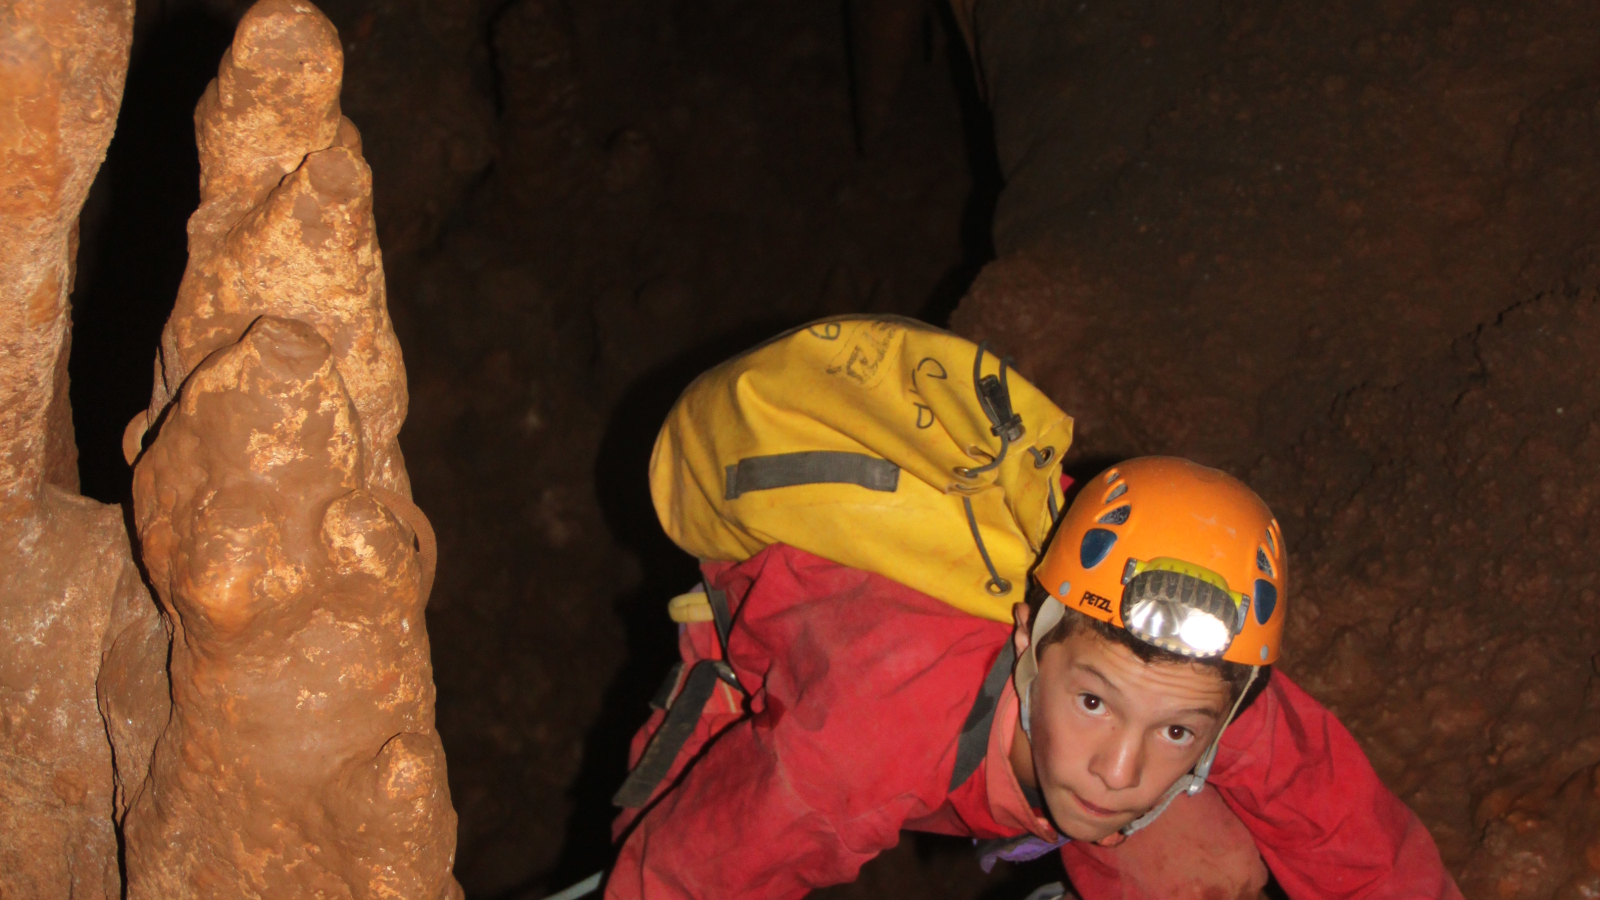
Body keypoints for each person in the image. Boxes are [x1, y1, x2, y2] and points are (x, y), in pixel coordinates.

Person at [603, 457, 1462, 899]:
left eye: (1177, 733)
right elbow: (679, 879)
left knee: (1204, 869)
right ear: (1030, 638)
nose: (1118, 774)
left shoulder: (1208, 686)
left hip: (980, 752)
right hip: (767, 696)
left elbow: (1361, 846)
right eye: (1096, 702)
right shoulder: (859, 736)